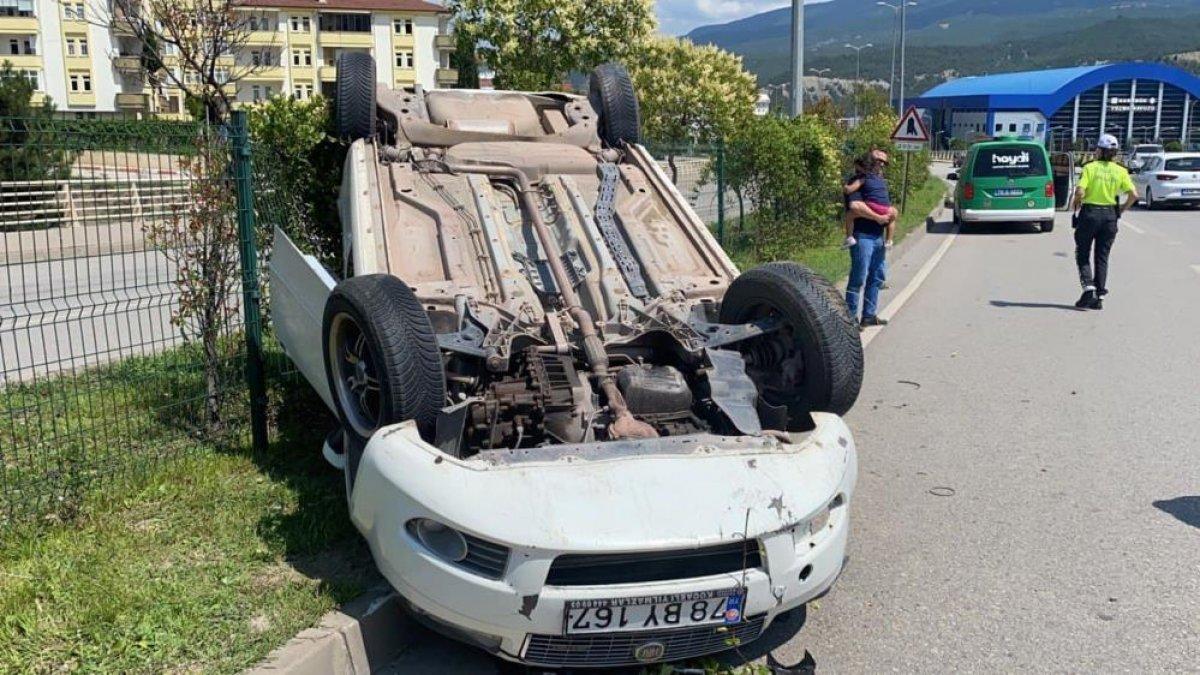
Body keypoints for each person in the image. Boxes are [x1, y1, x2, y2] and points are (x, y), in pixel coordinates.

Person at [1069, 134, 1139, 310]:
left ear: (1099, 150)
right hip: (1110, 216)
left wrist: (1076, 204)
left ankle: (1088, 287)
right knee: (1102, 256)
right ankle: (1099, 297)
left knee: (1083, 252)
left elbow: (1080, 192)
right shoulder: (1120, 171)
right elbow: (1134, 195)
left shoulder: (1090, 168)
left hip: (1090, 213)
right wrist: (1121, 210)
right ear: (1115, 153)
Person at [845, 150, 897, 327]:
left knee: (876, 278)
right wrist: (878, 217)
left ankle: (869, 315)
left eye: (884, 163)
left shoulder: (879, 182)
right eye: (878, 161)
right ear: (869, 161)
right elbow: (855, 206)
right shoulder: (857, 180)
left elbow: (886, 207)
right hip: (863, 237)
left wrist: (890, 212)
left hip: (878, 237)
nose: (881, 165)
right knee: (858, 278)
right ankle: (851, 320)